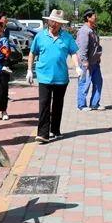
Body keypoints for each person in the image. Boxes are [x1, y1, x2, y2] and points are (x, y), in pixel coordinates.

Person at [26, 10, 81, 143]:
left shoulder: (67, 37)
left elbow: (73, 53)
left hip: (61, 77)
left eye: (56, 22)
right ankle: (43, 134)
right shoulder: (40, 36)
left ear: (61, 24)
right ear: (48, 21)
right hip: (44, 76)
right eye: (51, 21)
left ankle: (55, 130)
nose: (53, 24)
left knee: (57, 105)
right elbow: (32, 53)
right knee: (44, 104)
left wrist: (77, 66)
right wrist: (29, 70)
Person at [76, 9, 103, 111]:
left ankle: (95, 104)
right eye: (94, 16)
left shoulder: (92, 30)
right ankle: (81, 105)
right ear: (88, 18)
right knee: (84, 83)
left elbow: (97, 45)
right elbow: (82, 48)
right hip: (86, 63)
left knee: (98, 82)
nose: (95, 17)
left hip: (95, 62)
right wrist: (84, 61)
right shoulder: (84, 31)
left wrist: (98, 57)